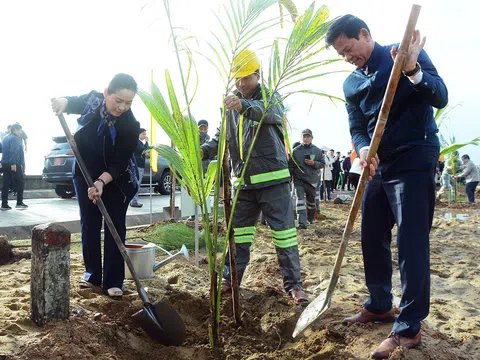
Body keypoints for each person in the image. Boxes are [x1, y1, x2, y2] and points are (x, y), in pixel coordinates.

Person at [326, 14, 448, 358]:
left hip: (414, 156)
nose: (348, 57)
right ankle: (380, 303)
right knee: (371, 235)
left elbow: (440, 96)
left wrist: (411, 70)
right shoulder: (351, 84)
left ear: (364, 34)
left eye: (350, 49)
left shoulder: (404, 54)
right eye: (342, 55)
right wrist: (364, 150)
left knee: (410, 243)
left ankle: (409, 328)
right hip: (378, 166)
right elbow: (357, 126)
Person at [201, 49, 309, 304]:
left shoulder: (270, 96)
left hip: (273, 182)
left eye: (246, 78)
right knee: (238, 236)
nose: (241, 84)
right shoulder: (229, 106)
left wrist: (243, 106)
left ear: (257, 75)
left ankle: (294, 286)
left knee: (284, 235)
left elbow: (268, 112)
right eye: (237, 79)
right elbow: (220, 140)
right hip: (243, 187)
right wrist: (201, 151)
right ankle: (230, 280)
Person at [51, 73, 140, 298]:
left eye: (128, 103)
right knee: (89, 224)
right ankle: (92, 275)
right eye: (118, 100)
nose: (122, 107)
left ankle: (113, 281)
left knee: (114, 227)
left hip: (116, 179)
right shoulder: (93, 101)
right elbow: (74, 101)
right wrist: (63, 101)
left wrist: (101, 182)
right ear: (106, 93)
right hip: (84, 172)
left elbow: (120, 162)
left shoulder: (131, 125)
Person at [290, 129, 325, 229]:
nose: (306, 139)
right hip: (299, 180)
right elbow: (291, 166)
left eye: (308, 137)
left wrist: (314, 163)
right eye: (304, 137)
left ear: (312, 138)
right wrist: (290, 177)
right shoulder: (296, 151)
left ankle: (311, 218)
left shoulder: (317, 151)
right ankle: (302, 223)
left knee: (311, 202)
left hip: (312, 181)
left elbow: (322, 164)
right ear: (301, 138)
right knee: (300, 201)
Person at [1, 123, 27, 210]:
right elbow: (13, 151)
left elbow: (5, 152)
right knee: (20, 182)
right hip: (13, 163)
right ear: (15, 130)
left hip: (4, 163)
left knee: (6, 184)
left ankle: (4, 204)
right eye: (20, 130)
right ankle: (19, 202)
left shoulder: (5, 138)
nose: (20, 132)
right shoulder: (15, 139)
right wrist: (13, 163)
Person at [130, 128, 149, 208]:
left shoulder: (140, 143)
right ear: (139, 134)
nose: (145, 136)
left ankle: (134, 200)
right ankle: (134, 201)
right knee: (136, 184)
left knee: (138, 183)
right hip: (137, 166)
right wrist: (147, 142)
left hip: (140, 165)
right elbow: (143, 150)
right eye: (143, 134)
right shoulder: (136, 142)